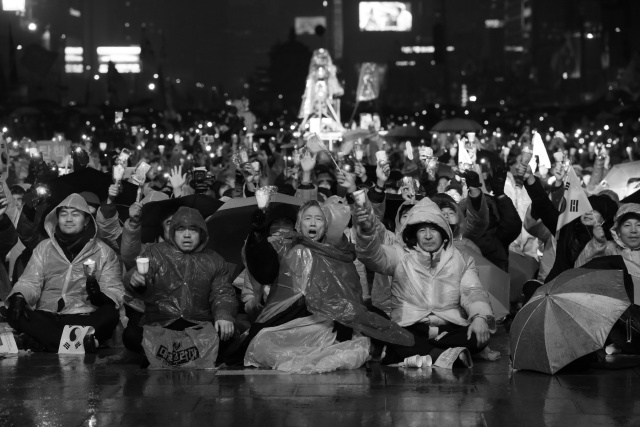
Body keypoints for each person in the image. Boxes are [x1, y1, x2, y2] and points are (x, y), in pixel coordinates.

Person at [355, 197, 494, 365]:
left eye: (433, 230)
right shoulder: (400, 255)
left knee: (478, 336)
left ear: (443, 231)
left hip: (449, 329)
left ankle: (407, 351)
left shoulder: (462, 259)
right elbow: (372, 256)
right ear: (414, 233)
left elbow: (473, 291)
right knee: (369, 315)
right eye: (422, 230)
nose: (428, 236)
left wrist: (479, 317)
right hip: (409, 327)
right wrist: (366, 233)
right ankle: (441, 354)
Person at [4, 194, 124, 352]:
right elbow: (30, 281)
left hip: (84, 317)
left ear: (86, 220)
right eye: (63, 214)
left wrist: (100, 297)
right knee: (14, 311)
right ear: (56, 218)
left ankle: (43, 343)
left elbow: (114, 288)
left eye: (75, 214)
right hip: (47, 316)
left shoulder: (104, 252)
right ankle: (79, 343)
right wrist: (20, 296)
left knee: (110, 314)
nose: (68, 219)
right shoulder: (44, 248)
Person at [123, 207, 238, 359]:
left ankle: (167, 356)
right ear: (173, 232)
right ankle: (184, 355)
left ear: (202, 233)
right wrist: (136, 281)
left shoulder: (214, 260)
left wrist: (223, 315)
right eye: (181, 229)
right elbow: (137, 274)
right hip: (162, 322)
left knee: (229, 335)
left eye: (193, 229)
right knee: (131, 335)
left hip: (198, 325)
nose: (187, 235)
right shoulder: (155, 252)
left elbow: (223, 293)